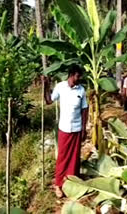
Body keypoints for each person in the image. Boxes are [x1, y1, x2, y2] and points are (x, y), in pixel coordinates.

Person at [42, 65, 88, 198]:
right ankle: (58, 184)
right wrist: (46, 86)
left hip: (77, 128)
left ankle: (71, 182)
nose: (79, 79)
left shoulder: (81, 90)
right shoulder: (61, 87)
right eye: (78, 76)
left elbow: (84, 109)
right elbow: (49, 101)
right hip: (65, 128)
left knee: (74, 157)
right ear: (72, 75)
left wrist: (84, 128)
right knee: (63, 157)